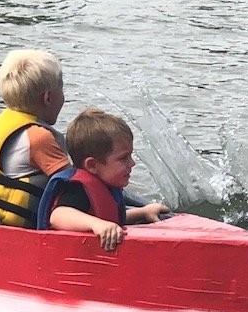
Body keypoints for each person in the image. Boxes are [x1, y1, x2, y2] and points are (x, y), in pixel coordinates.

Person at [0, 49, 70, 228]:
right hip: (2, 232)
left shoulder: (5, 122)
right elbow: (76, 186)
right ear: (48, 98)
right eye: (62, 90)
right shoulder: (39, 138)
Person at [37, 107, 170, 251]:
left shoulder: (107, 186)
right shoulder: (78, 189)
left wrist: (142, 212)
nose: (132, 163)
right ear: (92, 165)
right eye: (123, 158)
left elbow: (111, 217)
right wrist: (97, 224)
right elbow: (58, 215)